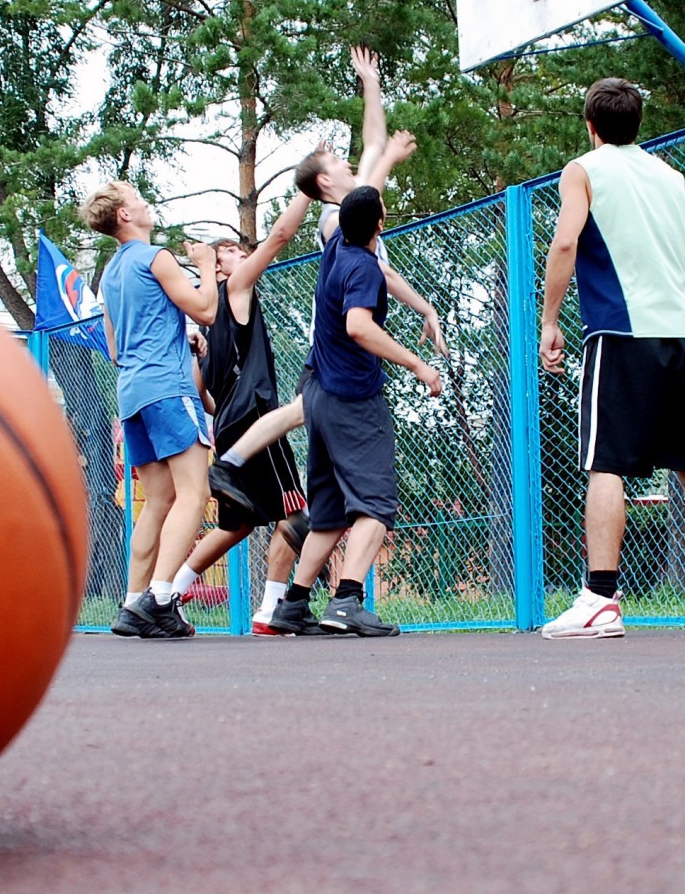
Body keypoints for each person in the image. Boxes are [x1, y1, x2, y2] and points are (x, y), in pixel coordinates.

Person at [537, 78, 685, 639]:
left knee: (605, 463)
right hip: (682, 335)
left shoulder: (583, 169)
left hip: (620, 333)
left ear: (591, 125)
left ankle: (600, 599)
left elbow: (564, 243)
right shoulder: (671, 177)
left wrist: (549, 322)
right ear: (637, 125)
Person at [206, 47, 445, 491]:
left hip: (347, 352)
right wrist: (389, 159)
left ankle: (241, 467)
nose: (346, 160)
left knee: (312, 438)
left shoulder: (356, 202)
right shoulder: (336, 219)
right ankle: (231, 460)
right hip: (335, 348)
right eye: (336, 161)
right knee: (303, 413)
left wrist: (370, 82)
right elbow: (377, 165)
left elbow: (374, 142)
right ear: (325, 183)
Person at [267, 186, 442, 636]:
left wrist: (425, 307)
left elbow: (383, 269)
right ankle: (346, 600)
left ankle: (293, 603)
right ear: (380, 226)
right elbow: (359, 325)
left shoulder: (336, 250)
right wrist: (418, 364)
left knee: (327, 511)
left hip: (318, 396)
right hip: (352, 401)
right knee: (376, 502)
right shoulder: (361, 265)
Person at [162, 191, 325, 636]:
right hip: (257, 420)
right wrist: (307, 190)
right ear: (217, 266)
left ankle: (169, 592)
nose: (242, 253)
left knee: (237, 525)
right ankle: (271, 610)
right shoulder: (234, 288)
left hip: (229, 428)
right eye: (232, 251)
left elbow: (207, 399)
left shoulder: (207, 323)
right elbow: (278, 237)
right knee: (297, 516)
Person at [84, 180, 219, 640]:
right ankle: (160, 598)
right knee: (193, 493)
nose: (146, 203)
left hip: (132, 392)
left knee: (157, 500)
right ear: (124, 215)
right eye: (138, 199)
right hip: (168, 387)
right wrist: (205, 266)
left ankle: (131, 602)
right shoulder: (156, 257)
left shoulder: (111, 274)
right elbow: (206, 309)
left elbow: (116, 348)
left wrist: (175, 335)